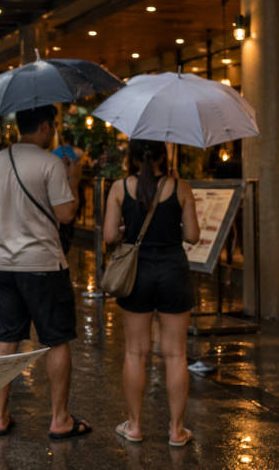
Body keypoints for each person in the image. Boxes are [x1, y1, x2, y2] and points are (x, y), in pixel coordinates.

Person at [0, 105, 90, 441]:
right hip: (42, 264)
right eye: (53, 126)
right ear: (44, 126)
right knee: (56, 340)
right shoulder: (50, 163)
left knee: (5, 338)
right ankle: (59, 419)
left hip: (1, 264)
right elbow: (67, 213)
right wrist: (73, 176)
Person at [103, 139, 199, 447]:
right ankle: (176, 430)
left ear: (130, 155)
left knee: (135, 352)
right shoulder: (180, 186)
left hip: (136, 273)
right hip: (173, 270)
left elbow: (108, 235)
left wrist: (123, 231)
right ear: (163, 153)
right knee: (175, 353)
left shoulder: (120, 187)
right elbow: (193, 236)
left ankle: (134, 426)